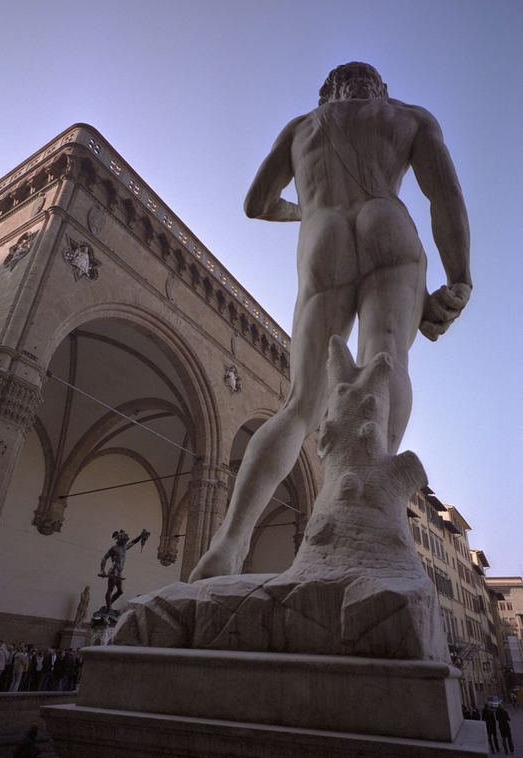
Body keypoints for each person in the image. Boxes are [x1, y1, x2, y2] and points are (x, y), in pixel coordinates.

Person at [190, 61, 471, 581]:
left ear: (329, 93)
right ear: (378, 89)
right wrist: (460, 279)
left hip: (324, 239)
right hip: (389, 223)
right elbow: (445, 197)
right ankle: (370, 515)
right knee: (385, 361)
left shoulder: (301, 127)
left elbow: (256, 203)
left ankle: (228, 546)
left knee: (300, 405)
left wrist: (310, 212)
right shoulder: (407, 116)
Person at [98, 529, 150, 612]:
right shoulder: (114, 548)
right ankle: (108, 608)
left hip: (119, 572)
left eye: (125, 541)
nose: (125, 542)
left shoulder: (124, 548)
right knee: (110, 590)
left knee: (120, 591)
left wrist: (140, 536)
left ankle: (108, 605)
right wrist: (102, 570)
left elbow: (133, 542)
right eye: (124, 540)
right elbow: (104, 558)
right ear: (120, 540)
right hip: (113, 571)